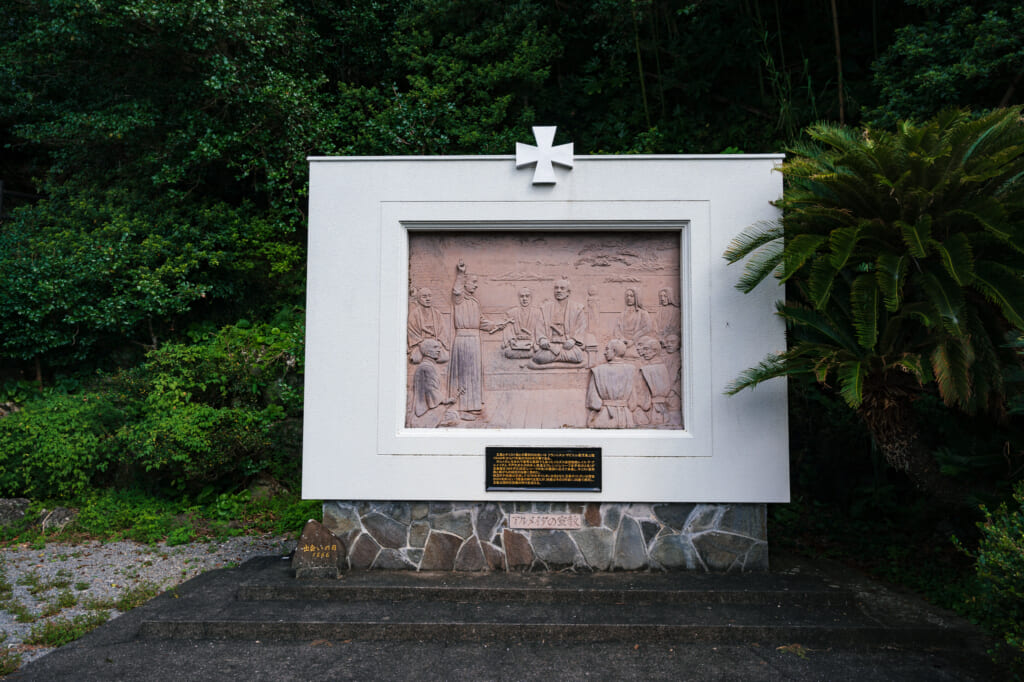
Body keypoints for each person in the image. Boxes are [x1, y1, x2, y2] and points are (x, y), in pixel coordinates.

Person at [448, 259, 494, 420]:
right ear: (465, 283)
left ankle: (472, 406)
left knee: (474, 374)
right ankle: (461, 408)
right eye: (473, 282)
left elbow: (480, 322)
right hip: (464, 340)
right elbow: (456, 290)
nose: (476, 285)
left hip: (474, 340)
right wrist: (460, 273)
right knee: (465, 373)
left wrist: (497, 325)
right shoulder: (460, 298)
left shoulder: (474, 302)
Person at [532, 277, 587, 365]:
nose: (558, 291)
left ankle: (555, 356)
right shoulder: (545, 308)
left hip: (568, 347)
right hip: (550, 346)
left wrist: (573, 340)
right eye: (556, 288)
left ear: (568, 292)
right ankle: (562, 357)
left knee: (578, 356)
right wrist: (542, 339)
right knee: (538, 358)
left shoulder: (577, 308)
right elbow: (539, 327)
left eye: (562, 288)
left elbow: (582, 327)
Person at [586, 340, 639, 428]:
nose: (604, 353)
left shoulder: (599, 370)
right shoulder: (631, 370)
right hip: (625, 417)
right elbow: (633, 402)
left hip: (605, 416)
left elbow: (594, 401)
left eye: (607, 349)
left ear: (614, 351)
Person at [410, 339, 456, 427]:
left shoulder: (428, 365)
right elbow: (431, 389)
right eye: (435, 347)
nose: (439, 350)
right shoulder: (427, 367)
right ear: (427, 352)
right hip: (425, 411)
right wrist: (445, 400)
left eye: (439, 348)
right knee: (453, 417)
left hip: (426, 408)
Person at [633, 335, 672, 426]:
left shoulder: (646, 370)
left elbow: (641, 393)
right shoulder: (663, 367)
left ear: (655, 351)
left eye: (646, 349)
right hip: (661, 409)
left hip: (651, 410)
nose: (643, 353)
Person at [407, 287, 450, 364]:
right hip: (421, 343)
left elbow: (442, 331)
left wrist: (439, 342)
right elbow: (412, 332)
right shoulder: (414, 314)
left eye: (429, 296)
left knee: (445, 357)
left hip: (435, 343)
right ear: (419, 299)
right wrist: (422, 343)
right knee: (416, 359)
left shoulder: (437, 313)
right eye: (424, 297)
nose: (428, 299)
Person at [499, 287, 541, 359]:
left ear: (531, 298)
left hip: (531, 343)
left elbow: (540, 330)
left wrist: (533, 342)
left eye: (527, 296)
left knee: (539, 352)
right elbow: (508, 329)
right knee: (508, 353)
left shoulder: (537, 313)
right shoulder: (512, 313)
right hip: (517, 343)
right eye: (522, 296)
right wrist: (512, 340)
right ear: (518, 298)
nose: (524, 299)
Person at [612, 287, 652, 354]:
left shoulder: (643, 313)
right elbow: (617, 329)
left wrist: (633, 340)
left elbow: (647, 328)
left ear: (636, 297)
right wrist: (622, 339)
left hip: (637, 344)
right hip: (623, 343)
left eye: (631, 296)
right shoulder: (622, 315)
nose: (629, 298)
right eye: (627, 296)